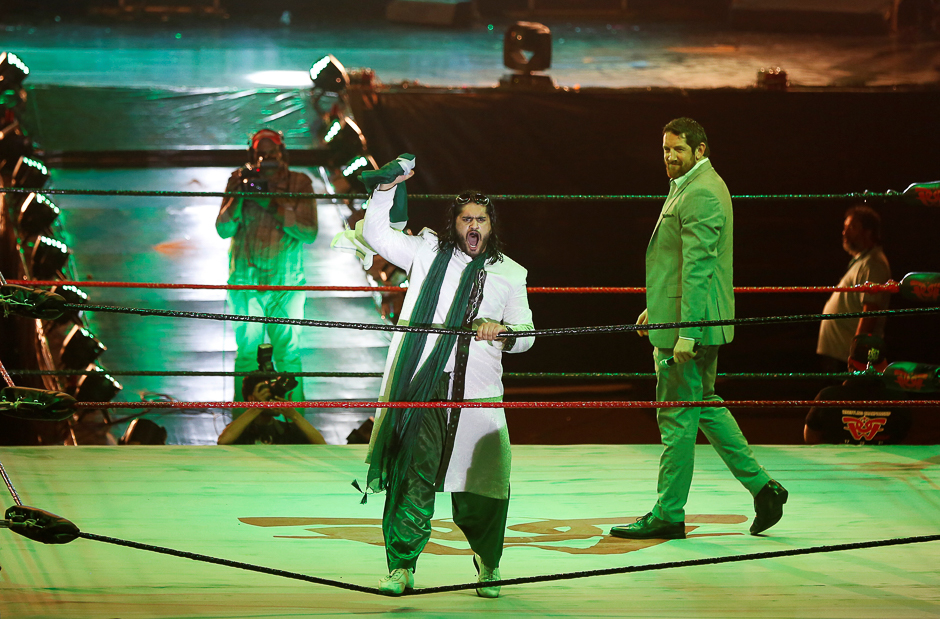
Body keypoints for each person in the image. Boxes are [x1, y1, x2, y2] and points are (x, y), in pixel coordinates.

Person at [359, 158, 534, 598]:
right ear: (454, 224)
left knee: (483, 484)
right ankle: (402, 566)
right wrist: (386, 189)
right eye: (465, 218)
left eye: (481, 218)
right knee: (414, 476)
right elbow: (375, 235)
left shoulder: (511, 274)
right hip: (426, 384)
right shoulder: (427, 253)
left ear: (492, 225)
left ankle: (488, 563)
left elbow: (528, 334)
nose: (473, 225)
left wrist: (504, 332)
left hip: (476, 392)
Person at [610, 117, 788, 541]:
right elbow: (678, 264)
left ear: (701, 150)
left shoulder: (703, 191)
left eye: (678, 150)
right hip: (689, 320)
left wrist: (685, 331)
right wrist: (657, 309)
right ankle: (764, 489)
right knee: (703, 404)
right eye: (666, 149)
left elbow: (699, 269)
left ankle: (669, 513)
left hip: (692, 328)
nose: (670, 157)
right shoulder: (691, 186)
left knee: (676, 417)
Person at [215, 129, 318, 402]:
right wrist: (239, 197)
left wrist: (270, 203)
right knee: (247, 353)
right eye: (261, 151)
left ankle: (294, 423)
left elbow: (309, 232)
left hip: (286, 284)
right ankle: (242, 424)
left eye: (272, 151)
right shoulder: (238, 179)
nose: (267, 156)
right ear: (253, 154)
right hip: (245, 282)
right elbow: (223, 229)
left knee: (287, 353)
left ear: (282, 152)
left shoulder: (299, 182)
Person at [817, 205, 891, 373]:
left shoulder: (874, 264)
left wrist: (857, 353)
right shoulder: (862, 262)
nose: (845, 233)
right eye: (845, 228)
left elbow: (871, 310)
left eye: (852, 227)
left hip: (847, 359)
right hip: (840, 355)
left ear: (868, 232)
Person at [217, 374, 326, 445]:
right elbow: (223, 441)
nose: (273, 399)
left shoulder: (287, 430)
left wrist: (293, 415)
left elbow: (321, 444)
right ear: (251, 397)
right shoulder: (240, 431)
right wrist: (257, 407)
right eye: (267, 394)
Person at [804, 373, 911, 445]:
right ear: (884, 364)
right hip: (885, 468)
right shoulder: (898, 397)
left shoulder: (828, 395)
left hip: (835, 468)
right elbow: (905, 435)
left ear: (850, 362)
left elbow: (810, 437)